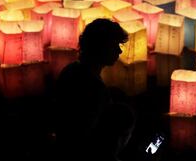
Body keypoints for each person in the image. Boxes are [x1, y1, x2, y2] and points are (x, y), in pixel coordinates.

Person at [54, 18, 135, 161]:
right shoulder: (91, 86)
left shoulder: (71, 70)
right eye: (115, 45)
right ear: (101, 47)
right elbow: (83, 138)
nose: (119, 50)